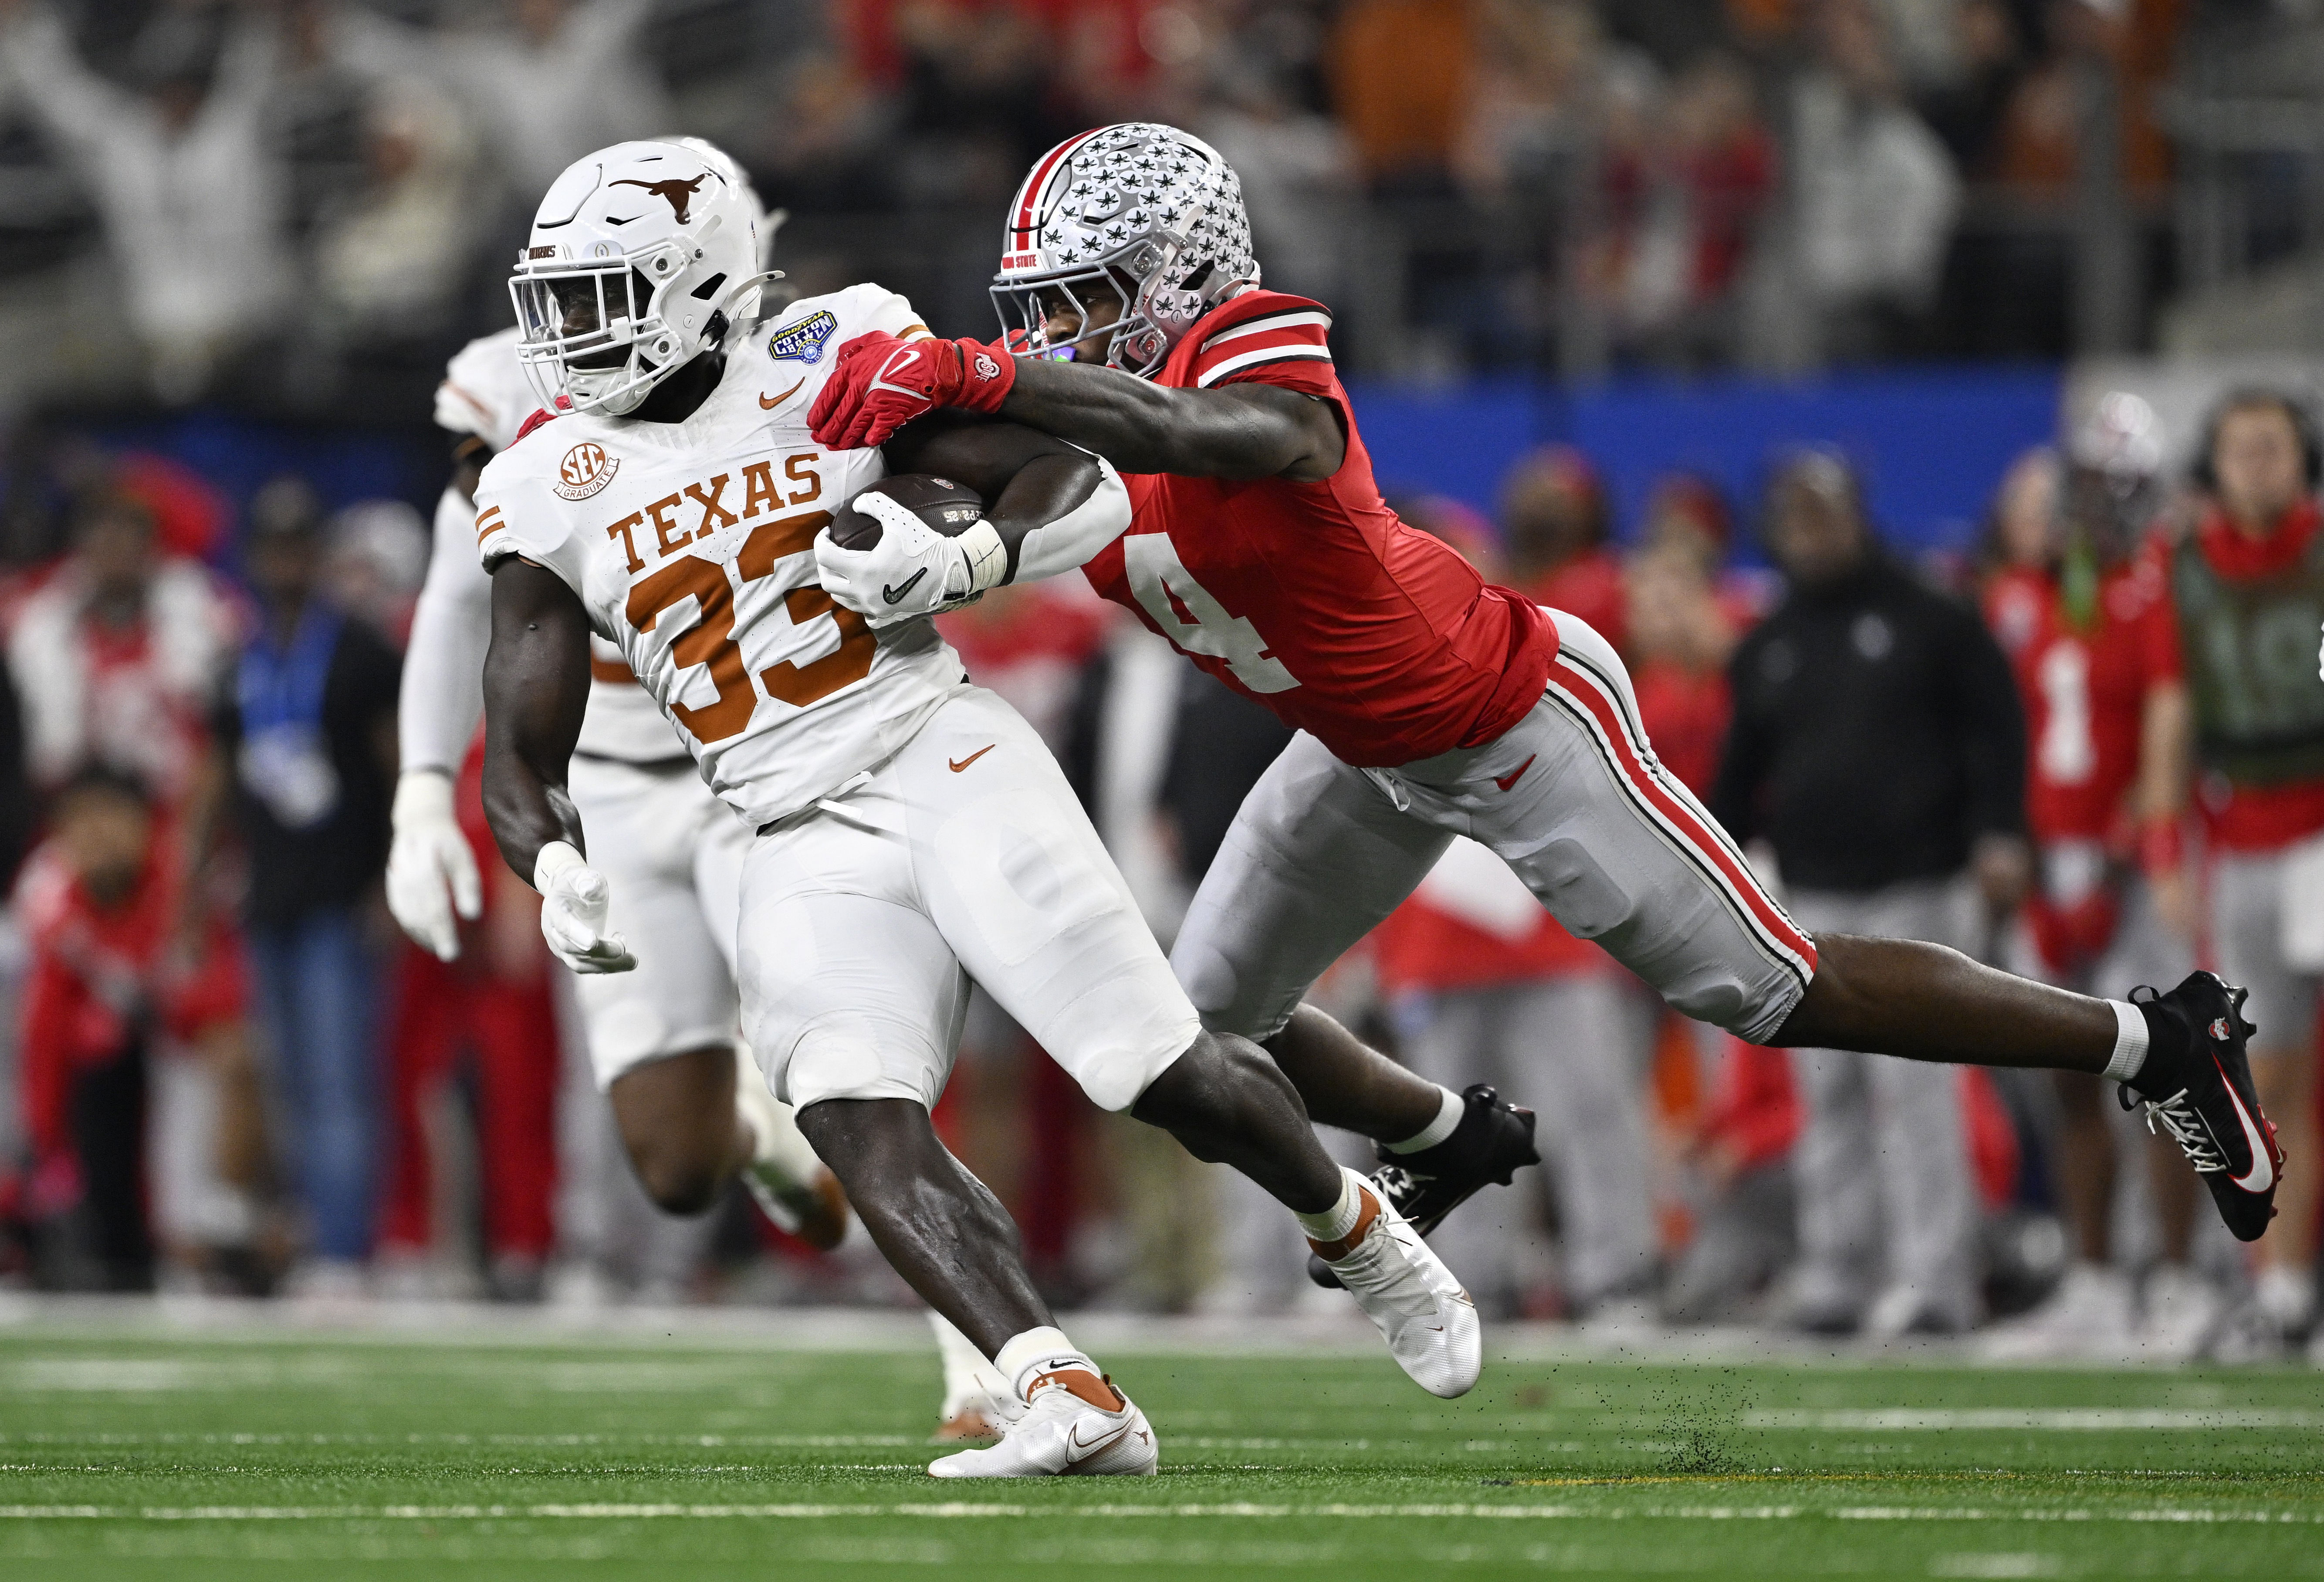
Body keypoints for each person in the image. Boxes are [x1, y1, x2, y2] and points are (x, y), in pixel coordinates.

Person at [805, 121, 2285, 1283]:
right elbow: (922, 471)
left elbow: (1200, 429)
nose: (1058, 335)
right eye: (1036, 311)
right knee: (1191, 1042)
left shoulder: (1253, 343)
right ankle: (1451, 1138)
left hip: (1514, 712)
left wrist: (986, 373)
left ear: (1185, 275)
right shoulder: (1053, 414)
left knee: (1768, 992)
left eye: (1087, 301)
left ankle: (2158, 1042)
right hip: (1358, 750)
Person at [474, 140, 1480, 1481]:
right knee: (846, 1103)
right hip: (786, 826)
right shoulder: (543, 478)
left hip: (935, 754)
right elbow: (518, 741)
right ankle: (1062, 1391)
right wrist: (549, 864)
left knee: (1152, 1069)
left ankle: (1358, 1228)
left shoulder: (830, 353)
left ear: (700, 281)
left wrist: (973, 552)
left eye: (602, 297)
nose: (569, 337)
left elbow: (1074, 476)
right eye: (560, 301)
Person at [1711, 451, 2026, 1335]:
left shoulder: (1931, 614)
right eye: (1795, 518)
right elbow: (1737, 780)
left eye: (1825, 514)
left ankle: (1936, 1278)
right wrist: (1712, 874)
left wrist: (1999, 831)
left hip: (1916, 888)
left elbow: (1998, 726)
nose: (1811, 534)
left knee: (1919, 1094)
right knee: (1826, 1092)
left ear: (1858, 514)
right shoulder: (1768, 641)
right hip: (1810, 896)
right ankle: (1837, 1272)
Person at [1975, 406, 2206, 1359]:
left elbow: (2173, 723)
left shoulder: (2158, 589)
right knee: (2071, 1075)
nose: (2086, 507)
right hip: (2044, 856)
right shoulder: (2025, 595)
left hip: (2133, 859)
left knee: (2166, 1075)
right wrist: (2027, 864)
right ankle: (2097, 1279)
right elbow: (2001, 735)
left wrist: (2122, 852)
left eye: (2104, 488)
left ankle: (2181, 1279)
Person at [2143, 389, 2324, 1353]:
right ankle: (2285, 1285)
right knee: (2273, 1074)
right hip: (2246, 836)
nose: (2256, 461)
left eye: (2273, 445)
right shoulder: (2187, 566)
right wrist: (2165, 835)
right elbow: (2172, 705)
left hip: (2319, 829)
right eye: (2238, 447)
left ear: (2304, 456)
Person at [213, 479, 403, 1289]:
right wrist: (198, 883)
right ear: (256, 557)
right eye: (274, 547)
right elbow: (218, 777)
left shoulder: (360, 649)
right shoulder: (240, 660)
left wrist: (396, 877)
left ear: (318, 556)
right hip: (271, 895)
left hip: (340, 893)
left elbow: (401, 768)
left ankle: (344, 1251)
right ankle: (317, 1236)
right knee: (290, 1085)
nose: (286, 562)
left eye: (300, 547)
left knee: (340, 1084)